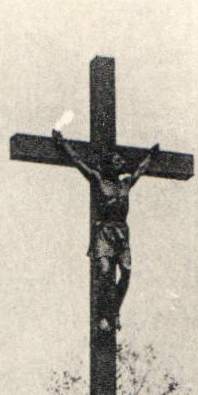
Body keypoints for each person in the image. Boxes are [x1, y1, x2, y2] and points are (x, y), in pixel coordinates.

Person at [51, 128, 157, 332]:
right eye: (117, 161)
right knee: (105, 270)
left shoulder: (125, 184)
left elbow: (140, 170)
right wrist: (62, 143)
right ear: (109, 164)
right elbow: (77, 161)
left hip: (121, 232)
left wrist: (151, 155)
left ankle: (114, 311)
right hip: (104, 232)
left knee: (126, 272)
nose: (121, 163)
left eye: (121, 162)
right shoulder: (98, 180)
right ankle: (102, 315)